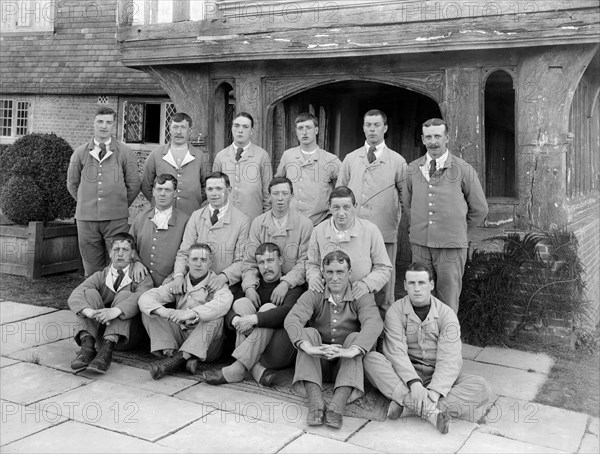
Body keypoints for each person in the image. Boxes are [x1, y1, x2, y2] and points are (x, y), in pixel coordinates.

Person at [364, 262, 490, 434]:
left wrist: (435, 391)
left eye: (422, 283)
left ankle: (407, 407)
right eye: (412, 283)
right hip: (404, 377)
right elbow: (396, 352)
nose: (417, 289)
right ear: (405, 285)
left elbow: (450, 358)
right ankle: (432, 413)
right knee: (371, 360)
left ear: (431, 285)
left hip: (435, 375)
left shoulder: (447, 314)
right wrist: (414, 384)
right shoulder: (395, 311)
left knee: (480, 387)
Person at [284, 250, 383, 429]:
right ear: (323, 272)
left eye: (340, 272)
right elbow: (292, 319)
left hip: (345, 365)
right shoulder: (315, 292)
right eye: (330, 272)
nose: (335, 278)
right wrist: (309, 347)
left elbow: (374, 323)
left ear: (349, 273)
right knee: (308, 333)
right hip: (318, 363)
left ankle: (337, 406)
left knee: (355, 337)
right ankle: (316, 403)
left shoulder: (360, 294)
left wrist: (351, 350)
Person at [403, 118, 488, 313]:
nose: (433, 141)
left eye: (437, 136)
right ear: (423, 140)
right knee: (419, 297)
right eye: (428, 137)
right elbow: (407, 205)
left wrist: (457, 229)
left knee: (448, 299)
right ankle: (422, 341)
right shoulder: (413, 169)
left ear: (447, 138)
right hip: (420, 245)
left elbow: (480, 209)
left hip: (451, 246)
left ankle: (447, 341)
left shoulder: (463, 169)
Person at [204, 243, 305, 387]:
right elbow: (225, 309)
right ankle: (256, 370)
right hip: (257, 352)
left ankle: (238, 367)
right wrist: (236, 320)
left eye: (270, 261)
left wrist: (254, 319)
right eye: (261, 262)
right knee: (241, 303)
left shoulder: (293, 287)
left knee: (268, 308)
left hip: (279, 352)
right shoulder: (252, 286)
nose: (266, 266)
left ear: (281, 261)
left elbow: (287, 312)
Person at [338, 109, 407, 315]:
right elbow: (340, 193)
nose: (372, 129)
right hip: (354, 231)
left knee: (384, 281)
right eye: (368, 125)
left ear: (385, 128)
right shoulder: (351, 159)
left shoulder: (397, 161)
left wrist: (396, 222)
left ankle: (385, 326)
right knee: (354, 275)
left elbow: (405, 199)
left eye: (376, 125)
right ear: (363, 128)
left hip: (384, 230)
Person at [138, 243, 234, 379]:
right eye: (194, 259)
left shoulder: (216, 283)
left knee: (215, 318)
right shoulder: (179, 282)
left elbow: (223, 304)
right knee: (150, 312)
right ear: (187, 262)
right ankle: (177, 358)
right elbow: (146, 297)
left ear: (210, 263)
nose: (198, 264)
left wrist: (191, 313)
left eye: (203, 260)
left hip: (206, 344)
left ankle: (177, 360)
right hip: (180, 336)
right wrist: (165, 312)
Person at [67, 107, 141, 276]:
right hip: (86, 219)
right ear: (93, 123)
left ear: (114, 125)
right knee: (91, 265)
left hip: (116, 219)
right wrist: (87, 203)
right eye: (100, 122)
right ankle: (93, 299)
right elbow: (72, 184)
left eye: (108, 122)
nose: (104, 126)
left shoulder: (125, 152)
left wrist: (118, 205)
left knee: (119, 262)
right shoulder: (80, 153)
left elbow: (134, 185)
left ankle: (117, 300)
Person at [68, 233, 153, 374]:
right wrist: (89, 311)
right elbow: (75, 295)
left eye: (125, 250)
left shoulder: (141, 276)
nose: (120, 254)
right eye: (116, 250)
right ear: (110, 253)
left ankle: (105, 354)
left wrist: (116, 310)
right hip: (99, 335)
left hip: (126, 337)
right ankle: (87, 348)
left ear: (132, 254)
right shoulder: (101, 275)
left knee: (126, 295)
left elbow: (142, 297)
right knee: (89, 293)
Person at [306, 186, 392, 319]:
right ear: (329, 207)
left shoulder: (370, 230)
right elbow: (312, 263)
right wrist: (314, 277)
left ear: (355, 207)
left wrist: (366, 284)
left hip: (359, 296)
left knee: (368, 328)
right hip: (327, 296)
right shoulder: (318, 231)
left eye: (346, 207)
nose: (341, 213)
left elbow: (384, 267)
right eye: (336, 207)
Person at [171, 172, 249, 296]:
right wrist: (179, 275)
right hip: (193, 283)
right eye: (210, 189)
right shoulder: (196, 216)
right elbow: (184, 252)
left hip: (224, 285)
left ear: (229, 190)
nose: (214, 193)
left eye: (219, 188)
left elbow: (242, 260)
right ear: (205, 191)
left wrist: (224, 277)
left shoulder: (242, 220)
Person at [240, 176, 313, 306]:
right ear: (269, 196)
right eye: (275, 194)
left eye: (285, 193)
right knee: (242, 305)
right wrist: (249, 287)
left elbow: (305, 262)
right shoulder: (258, 223)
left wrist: (286, 283)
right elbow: (250, 261)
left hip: (293, 286)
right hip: (264, 283)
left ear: (292, 196)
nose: (280, 198)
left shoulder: (305, 224)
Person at [275, 112, 342, 226]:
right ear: (296, 131)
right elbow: (278, 183)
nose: (304, 132)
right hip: (291, 221)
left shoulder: (330, 159)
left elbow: (343, 187)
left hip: (320, 222)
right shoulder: (288, 156)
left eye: (308, 128)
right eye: (300, 128)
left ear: (316, 130)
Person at [141, 112, 207, 216]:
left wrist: (194, 200)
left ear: (190, 131)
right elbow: (146, 185)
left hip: (190, 213)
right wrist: (159, 200)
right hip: (162, 213)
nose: (179, 132)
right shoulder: (156, 155)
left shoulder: (199, 157)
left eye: (183, 127)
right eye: (175, 127)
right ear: (169, 129)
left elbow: (206, 185)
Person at [129, 174, 190, 287]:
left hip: (170, 285)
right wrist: (136, 261)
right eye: (159, 189)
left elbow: (188, 254)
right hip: (141, 283)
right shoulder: (141, 218)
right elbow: (129, 245)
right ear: (153, 191)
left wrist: (175, 275)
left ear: (175, 193)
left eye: (167, 190)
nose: (162, 194)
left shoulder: (185, 221)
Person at [212, 112, 272, 221]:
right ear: (231, 128)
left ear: (251, 131)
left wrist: (265, 218)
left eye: (245, 127)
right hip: (225, 218)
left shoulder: (262, 156)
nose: (240, 130)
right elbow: (213, 189)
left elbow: (267, 191)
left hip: (253, 218)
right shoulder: (221, 156)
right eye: (237, 126)